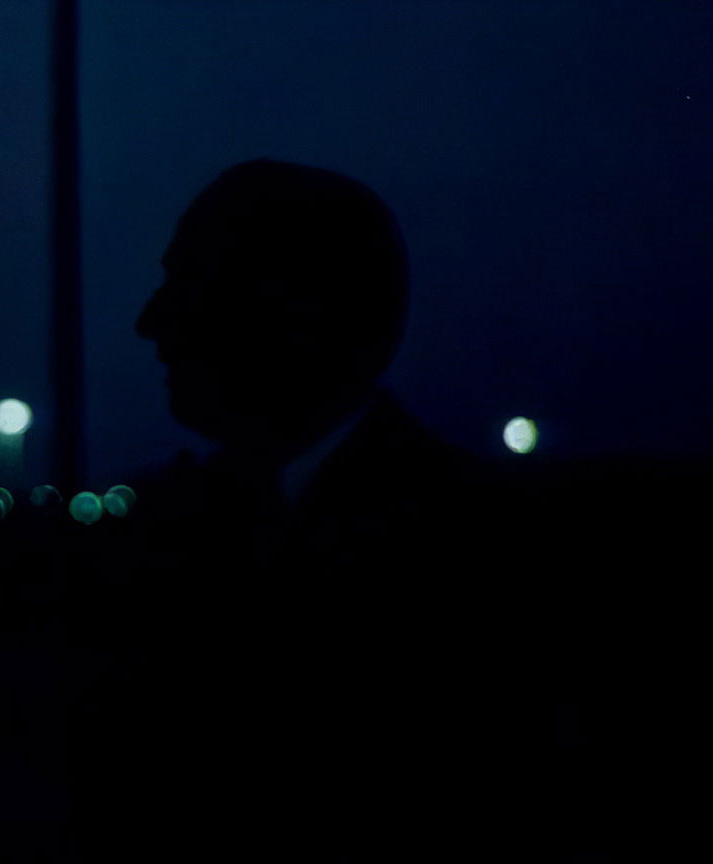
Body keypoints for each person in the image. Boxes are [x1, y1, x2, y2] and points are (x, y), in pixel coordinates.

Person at [73, 160, 536, 861]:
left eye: (186, 283)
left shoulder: (472, 558)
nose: (149, 322)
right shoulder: (462, 531)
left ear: (295, 310)